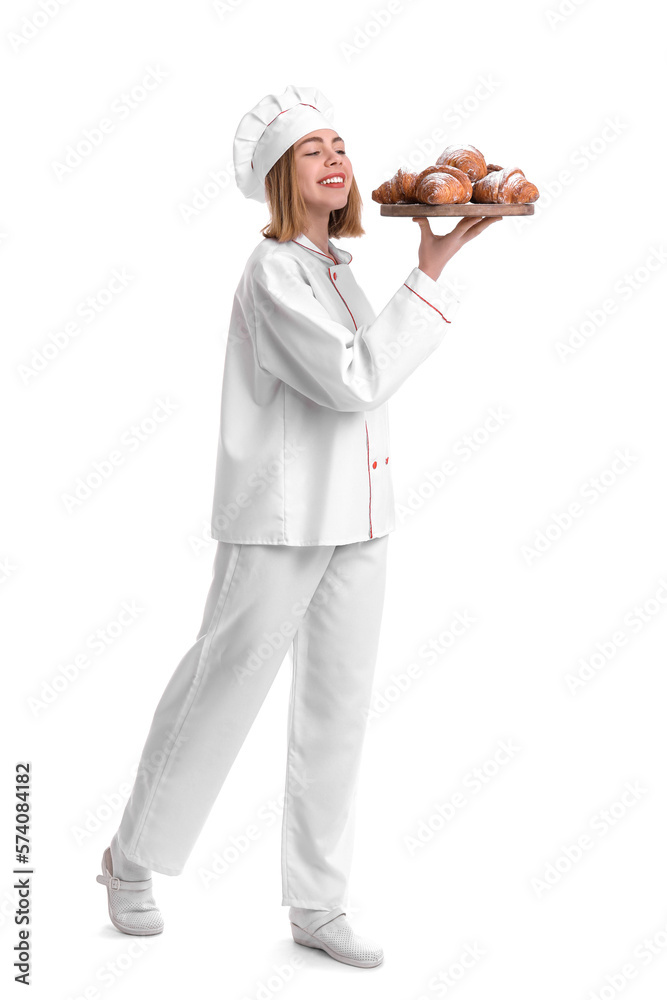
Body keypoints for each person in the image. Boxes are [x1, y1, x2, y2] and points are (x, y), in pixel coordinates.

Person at [95, 84, 502, 968]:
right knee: (220, 691)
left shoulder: (337, 270)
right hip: (280, 522)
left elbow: (364, 382)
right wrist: (430, 272)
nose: (336, 160)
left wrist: (423, 264)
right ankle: (130, 863)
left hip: (359, 516)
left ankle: (317, 903)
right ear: (281, 175)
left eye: (341, 146)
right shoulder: (275, 269)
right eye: (312, 149)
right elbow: (352, 381)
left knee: (337, 711)